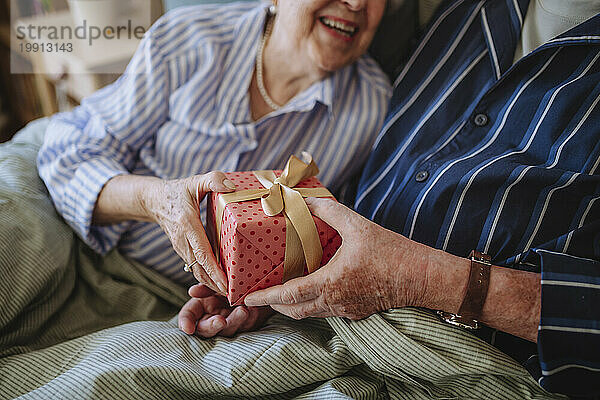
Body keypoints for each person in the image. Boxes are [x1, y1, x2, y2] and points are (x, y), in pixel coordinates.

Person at [180, 0, 600, 397]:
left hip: (457, 366)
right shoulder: (463, 13)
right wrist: (285, 268)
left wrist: (421, 279)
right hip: (322, 319)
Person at [37, 0, 390, 322]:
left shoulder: (374, 110)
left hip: (179, 306)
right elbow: (69, 152)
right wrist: (157, 200)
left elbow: (327, 243)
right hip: (76, 245)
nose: (356, 3)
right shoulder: (188, 37)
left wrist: (261, 299)